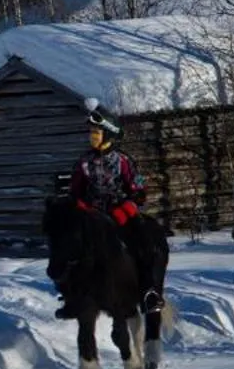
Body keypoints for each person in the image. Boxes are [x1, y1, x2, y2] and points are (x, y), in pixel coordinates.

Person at [55, 100, 165, 318]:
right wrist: (79, 206)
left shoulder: (123, 161)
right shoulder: (83, 162)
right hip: (92, 217)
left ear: (107, 134)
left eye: (96, 132)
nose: (92, 136)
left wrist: (128, 203)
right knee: (69, 245)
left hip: (120, 214)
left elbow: (137, 189)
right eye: (91, 132)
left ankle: (148, 292)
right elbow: (75, 191)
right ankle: (72, 297)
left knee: (145, 244)